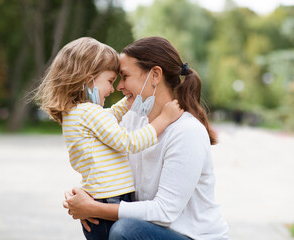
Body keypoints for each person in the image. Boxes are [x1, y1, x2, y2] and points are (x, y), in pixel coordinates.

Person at [63, 36, 229, 240]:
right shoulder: (133, 120)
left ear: (155, 75)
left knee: (125, 231)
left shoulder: (187, 131)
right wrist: (85, 198)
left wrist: (95, 208)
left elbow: (164, 213)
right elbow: (109, 167)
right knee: (98, 226)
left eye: (124, 76)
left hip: (192, 236)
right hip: (151, 230)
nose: (119, 86)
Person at [34, 37, 184, 240]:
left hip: (101, 198)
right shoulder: (89, 112)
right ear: (88, 78)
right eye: (110, 81)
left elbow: (110, 115)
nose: (113, 88)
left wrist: (131, 98)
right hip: (109, 201)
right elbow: (128, 142)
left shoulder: (78, 112)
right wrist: (163, 120)